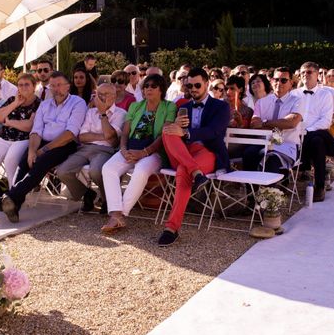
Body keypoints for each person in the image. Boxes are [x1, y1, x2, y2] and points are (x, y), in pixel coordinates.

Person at [0, 71, 87, 223]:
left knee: (39, 163)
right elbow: (36, 131)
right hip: (42, 142)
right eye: (53, 86)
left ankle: (10, 197)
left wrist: (44, 150)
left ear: (68, 86)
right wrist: (31, 151)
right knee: (24, 163)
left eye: (60, 85)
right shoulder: (45, 104)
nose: (56, 89)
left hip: (65, 144)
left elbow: (70, 133)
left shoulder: (77, 103)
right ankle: (12, 203)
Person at [157, 67, 230, 246]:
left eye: (198, 85)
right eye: (190, 86)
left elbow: (214, 131)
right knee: (167, 131)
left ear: (206, 84)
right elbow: (174, 133)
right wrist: (176, 126)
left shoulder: (221, 106)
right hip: (182, 153)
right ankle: (196, 173)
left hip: (207, 153)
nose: (194, 89)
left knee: (184, 170)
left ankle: (171, 228)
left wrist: (187, 133)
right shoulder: (184, 106)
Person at [101, 74, 176, 232]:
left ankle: (119, 215)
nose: (148, 88)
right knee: (108, 168)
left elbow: (165, 134)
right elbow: (126, 132)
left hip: (154, 152)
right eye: (146, 86)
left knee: (141, 170)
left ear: (161, 89)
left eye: (153, 86)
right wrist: (123, 149)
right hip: (130, 148)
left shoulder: (169, 107)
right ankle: (116, 213)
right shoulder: (135, 106)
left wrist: (145, 152)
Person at [56, 83, 126, 214]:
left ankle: (109, 200)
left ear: (114, 96)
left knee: (96, 171)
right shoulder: (90, 112)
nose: (102, 97)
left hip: (105, 151)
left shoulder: (121, 114)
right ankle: (87, 193)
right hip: (85, 149)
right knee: (62, 171)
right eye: (99, 94)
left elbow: (111, 136)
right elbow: (82, 137)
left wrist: (103, 114)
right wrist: (105, 136)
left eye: (105, 94)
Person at [292, 61, 334, 202]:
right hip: (294, 134)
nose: (305, 75)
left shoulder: (325, 95)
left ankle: (319, 187)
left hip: (312, 134)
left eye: (309, 72)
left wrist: (307, 131)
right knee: (320, 138)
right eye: (303, 72)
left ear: (317, 75)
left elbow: (326, 121)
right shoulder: (294, 94)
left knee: (317, 140)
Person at [0, 73, 40, 193]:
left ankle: (14, 194)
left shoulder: (39, 103)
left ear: (34, 86)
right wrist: (15, 104)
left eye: (27, 84)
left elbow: (29, 126)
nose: (23, 87)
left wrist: (9, 122)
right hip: (4, 138)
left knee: (10, 160)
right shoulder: (12, 100)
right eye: (20, 85)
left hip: (24, 139)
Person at [243, 67, 303, 173]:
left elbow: (291, 122)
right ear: (271, 81)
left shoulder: (297, 101)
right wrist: (280, 124)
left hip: (286, 145)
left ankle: (271, 189)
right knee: (249, 153)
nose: (279, 83)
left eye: (283, 80)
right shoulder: (262, 102)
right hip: (263, 143)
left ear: (291, 83)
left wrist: (265, 123)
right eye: (276, 80)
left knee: (271, 159)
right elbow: (254, 124)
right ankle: (252, 189)